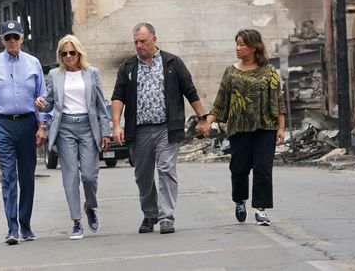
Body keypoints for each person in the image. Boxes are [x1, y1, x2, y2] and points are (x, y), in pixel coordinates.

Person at [112, 23, 206, 235]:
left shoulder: (172, 62)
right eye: (135, 41)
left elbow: (190, 90)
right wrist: (117, 125)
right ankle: (149, 214)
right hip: (139, 131)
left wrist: (202, 118)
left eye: (142, 41)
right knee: (143, 175)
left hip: (166, 128)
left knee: (166, 170)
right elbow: (118, 97)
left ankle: (166, 217)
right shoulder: (128, 67)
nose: (138, 45)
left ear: (154, 39)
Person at [196, 29, 286, 226]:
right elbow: (221, 103)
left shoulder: (269, 71)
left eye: (242, 44)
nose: (238, 48)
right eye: (237, 44)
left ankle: (261, 209)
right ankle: (239, 200)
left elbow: (277, 101)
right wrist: (208, 122)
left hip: (265, 127)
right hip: (239, 129)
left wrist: (281, 128)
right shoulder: (230, 72)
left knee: (263, 168)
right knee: (239, 169)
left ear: (254, 47)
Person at [0, 20, 47, 245]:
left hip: (27, 124)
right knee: (9, 176)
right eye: (8, 38)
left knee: (27, 176)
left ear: (22, 38)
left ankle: (26, 225)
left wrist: (42, 125)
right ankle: (12, 228)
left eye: (16, 37)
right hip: (3, 125)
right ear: (2, 40)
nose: (12, 41)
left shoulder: (33, 63)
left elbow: (42, 96)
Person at [36, 34, 110, 240]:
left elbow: (100, 104)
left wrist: (106, 132)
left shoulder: (92, 73)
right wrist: (43, 103)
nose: (68, 56)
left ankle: (89, 206)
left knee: (89, 176)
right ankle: (76, 222)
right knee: (70, 177)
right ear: (60, 55)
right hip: (65, 128)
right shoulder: (55, 74)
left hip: (88, 127)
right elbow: (50, 103)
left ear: (79, 53)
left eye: (72, 52)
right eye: (64, 53)